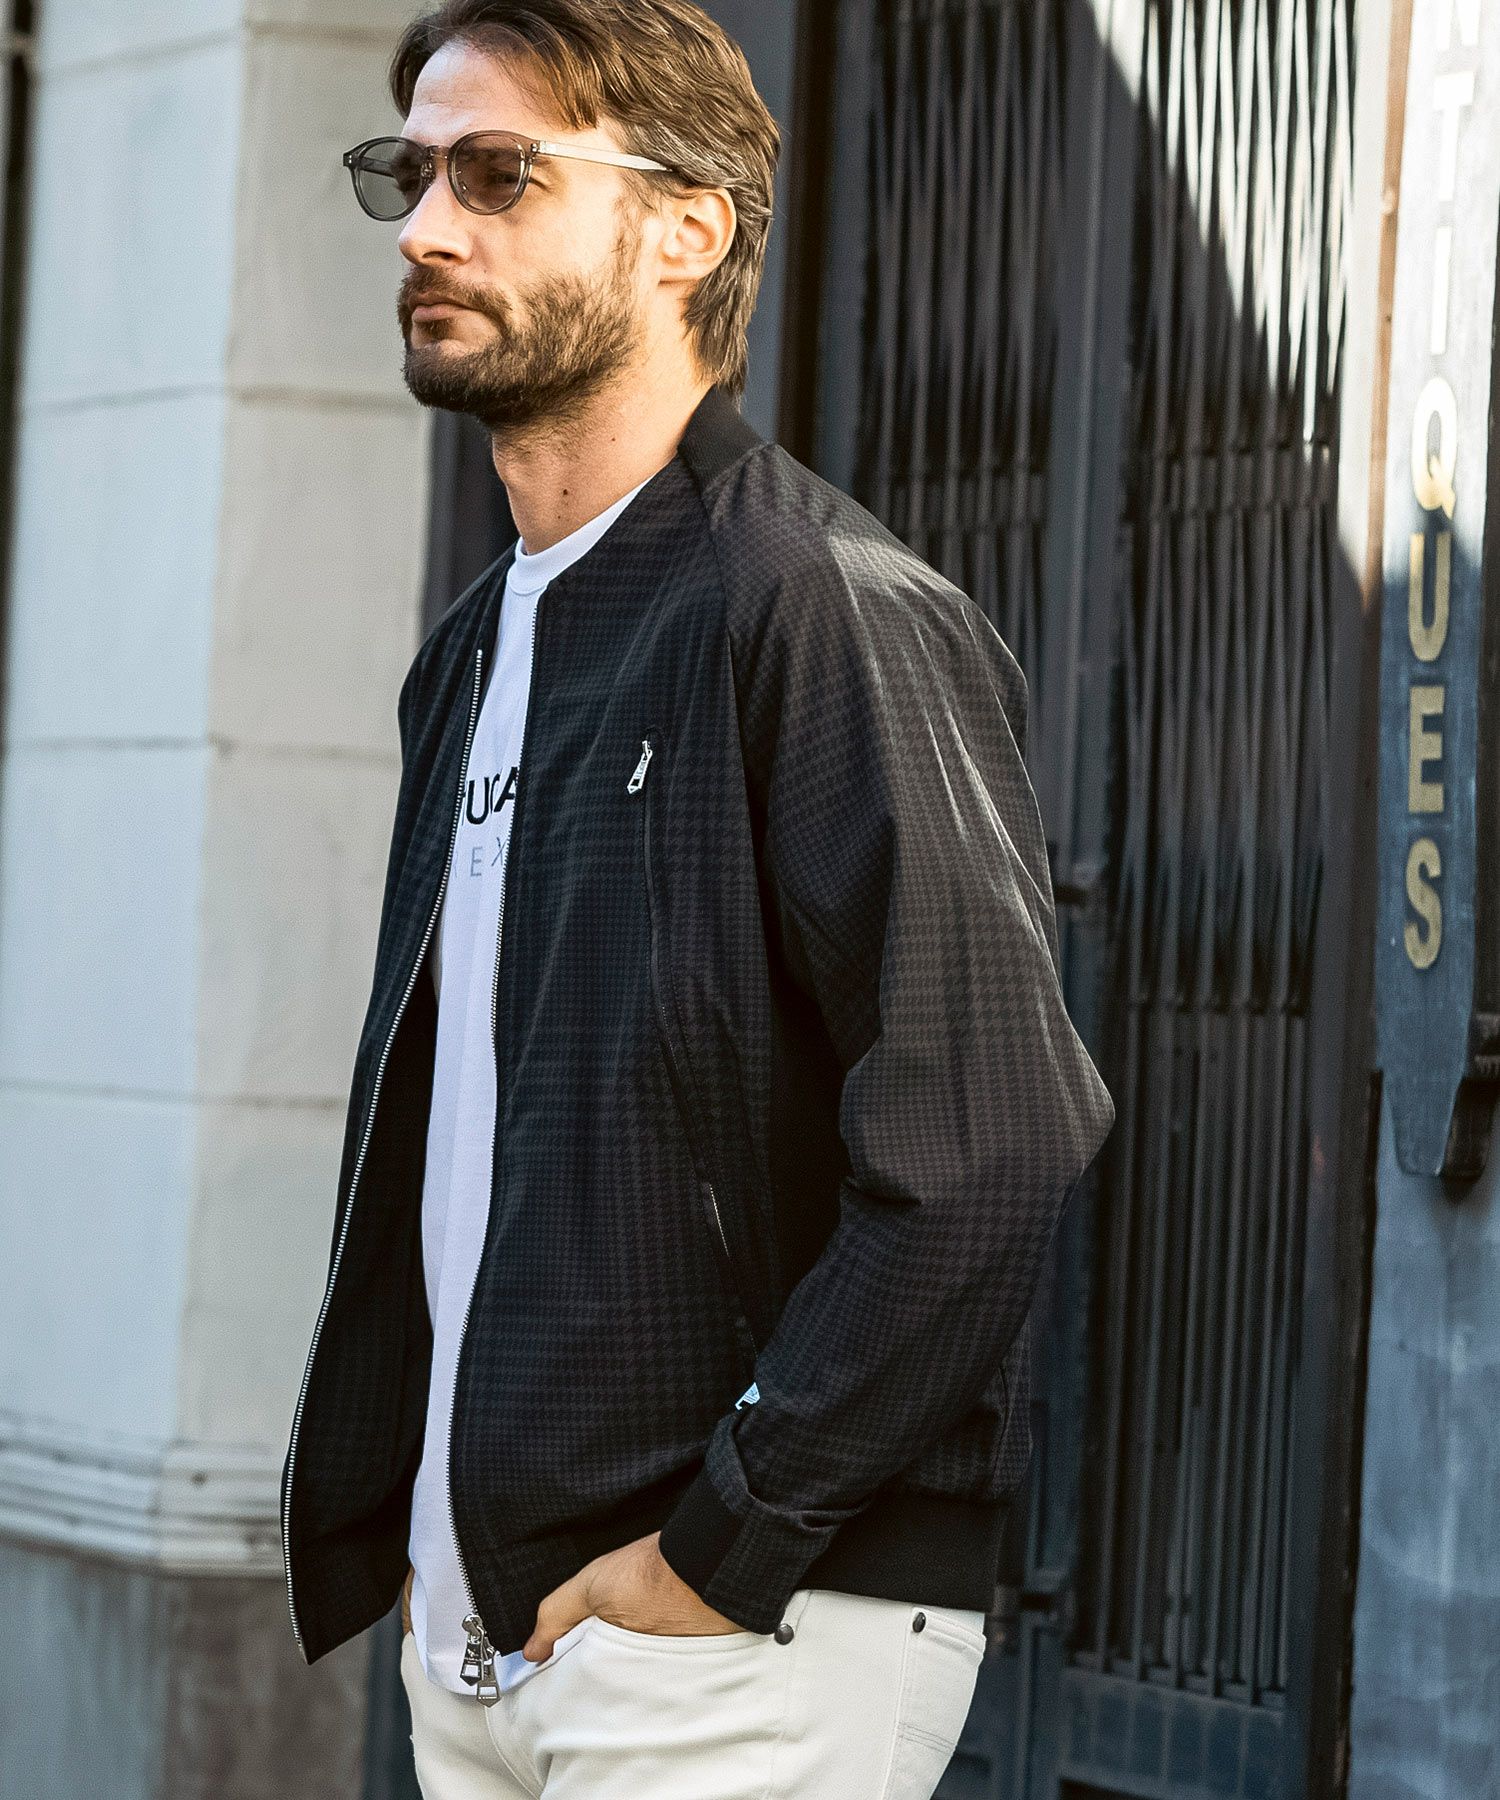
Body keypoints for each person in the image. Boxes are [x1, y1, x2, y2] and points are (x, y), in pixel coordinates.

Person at [279, 2, 1115, 1794]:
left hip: (738, 1637)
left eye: (499, 173)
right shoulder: (470, 656)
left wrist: (725, 1544)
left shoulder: (818, 608)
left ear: (686, 227)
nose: (427, 227)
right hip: (486, 1632)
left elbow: (993, 1133)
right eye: (409, 175)